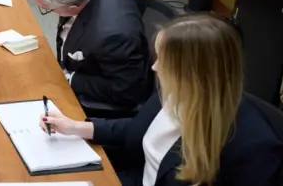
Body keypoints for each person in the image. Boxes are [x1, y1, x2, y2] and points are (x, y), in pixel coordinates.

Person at [39, 14, 283, 186]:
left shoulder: (253, 146)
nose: (154, 68)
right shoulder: (176, 92)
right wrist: (76, 127)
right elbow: (138, 128)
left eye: (163, 61)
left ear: (193, 73)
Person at [25, 0, 151, 115]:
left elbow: (126, 91)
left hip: (99, 83)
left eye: (47, 9)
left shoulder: (112, 35)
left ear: (72, 8)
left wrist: (71, 79)